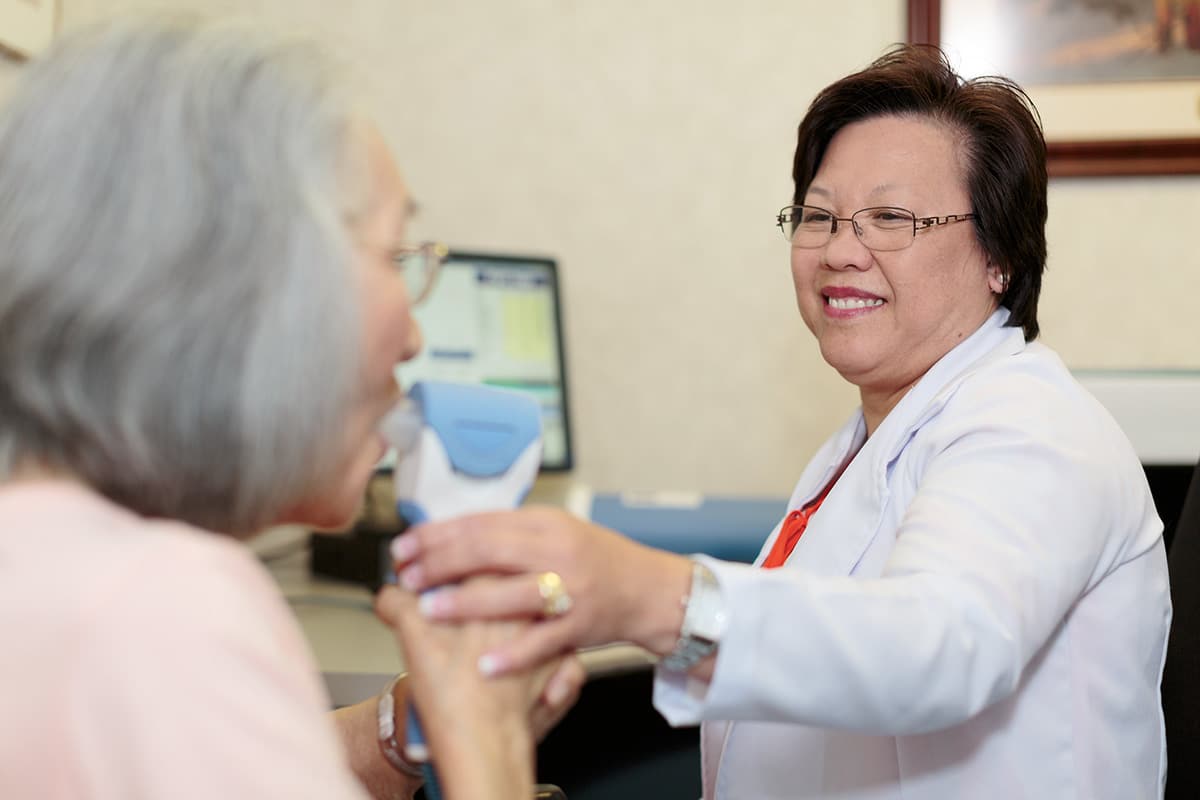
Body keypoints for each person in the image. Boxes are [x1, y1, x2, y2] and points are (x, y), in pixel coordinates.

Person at [390, 45, 1172, 799]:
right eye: (819, 217)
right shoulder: (871, 437)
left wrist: (642, 593)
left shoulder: (1034, 426)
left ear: (999, 256)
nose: (840, 251)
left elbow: (935, 646)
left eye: (890, 218)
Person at [0, 17, 580, 799]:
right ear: (250, 292)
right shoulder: (160, 602)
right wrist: (488, 743)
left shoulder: (59, 560)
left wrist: (407, 728)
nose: (413, 336)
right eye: (393, 258)